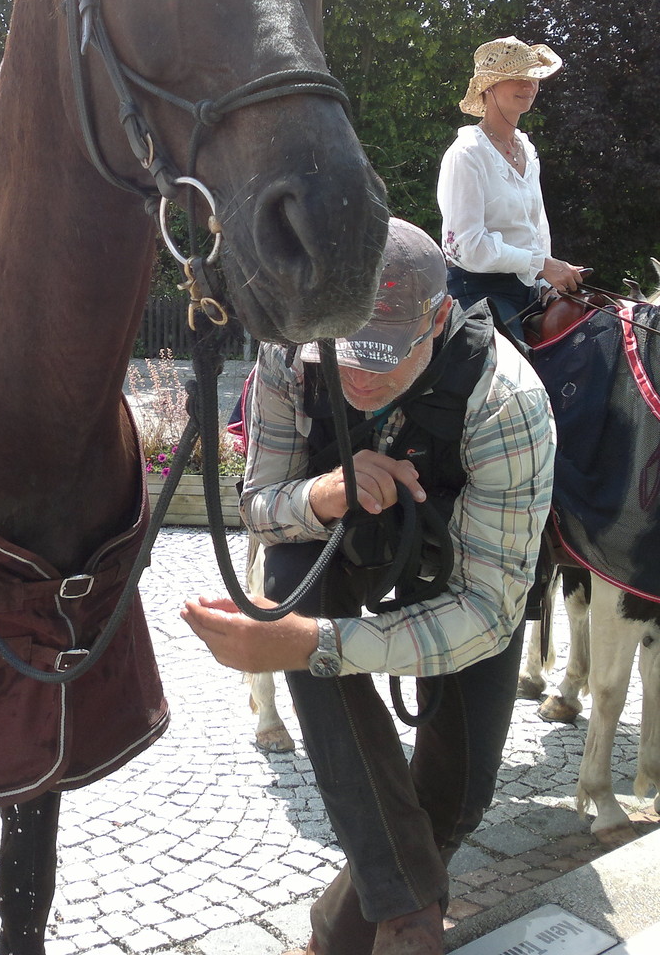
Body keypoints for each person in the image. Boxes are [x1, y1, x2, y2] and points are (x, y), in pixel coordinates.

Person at [181, 219, 556, 955]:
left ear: (440, 319)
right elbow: (260, 501)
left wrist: (310, 645)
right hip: (339, 547)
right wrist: (322, 494)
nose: (358, 379)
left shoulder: (507, 404)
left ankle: (333, 935)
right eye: (347, 352)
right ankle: (410, 926)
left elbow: (488, 611)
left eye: (385, 358)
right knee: (289, 576)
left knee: (459, 795)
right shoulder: (293, 355)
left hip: (464, 575)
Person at [437, 36, 585, 339]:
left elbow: (535, 226)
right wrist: (541, 264)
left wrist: (545, 282)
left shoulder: (526, 149)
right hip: (476, 291)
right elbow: (467, 247)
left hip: (529, 287)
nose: (528, 85)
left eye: (533, 77)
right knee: (515, 373)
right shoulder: (468, 153)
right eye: (516, 77)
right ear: (488, 87)